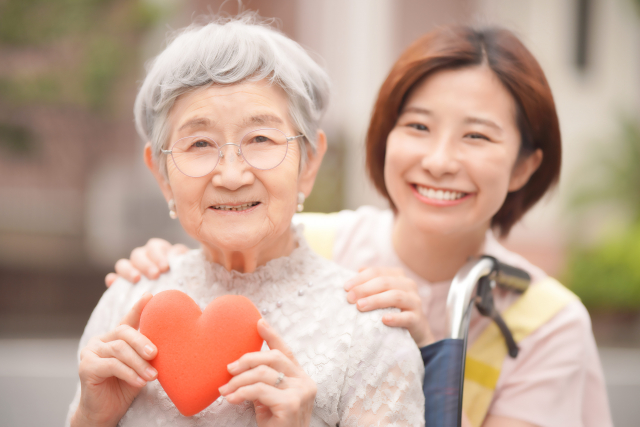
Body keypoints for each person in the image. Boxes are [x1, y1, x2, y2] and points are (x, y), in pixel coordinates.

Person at [110, 24, 614, 427]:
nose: (439, 160)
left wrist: (426, 358)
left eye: (477, 136)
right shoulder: (316, 240)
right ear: (385, 135)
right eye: (418, 126)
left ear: (525, 165)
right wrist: (167, 265)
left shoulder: (548, 323)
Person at [66, 15, 425, 427]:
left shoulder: (370, 334)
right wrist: (91, 419)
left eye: (261, 139)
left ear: (309, 163)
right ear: (160, 173)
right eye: (200, 143)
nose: (232, 176)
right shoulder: (126, 302)